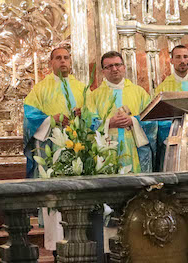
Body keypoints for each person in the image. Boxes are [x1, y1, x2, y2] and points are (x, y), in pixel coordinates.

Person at [21, 46, 86, 251]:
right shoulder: (41, 89)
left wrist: (81, 115)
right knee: (54, 195)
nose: (63, 61)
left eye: (66, 58)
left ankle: (80, 238)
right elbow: (29, 117)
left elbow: (94, 115)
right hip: (50, 147)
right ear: (51, 63)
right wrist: (52, 119)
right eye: (58, 58)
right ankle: (56, 245)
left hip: (78, 147)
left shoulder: (82, 88)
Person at [84, 51, 154, 173]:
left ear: (124, 67)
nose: (114, 69)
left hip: (135, 149)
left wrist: (132, 120)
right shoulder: (94, 96)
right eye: (109, 66)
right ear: (103, 71)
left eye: (118, 65)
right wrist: (109, 123)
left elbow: (152, 119)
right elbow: (87, 122)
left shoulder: (139, 92)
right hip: (107, 150)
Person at [152, 45, 188, 170]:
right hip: (175, 140)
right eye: (178, 57)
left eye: (185, 57)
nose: (182, 61)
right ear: (171, 61)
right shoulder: (163, 89)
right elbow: (158, 118)